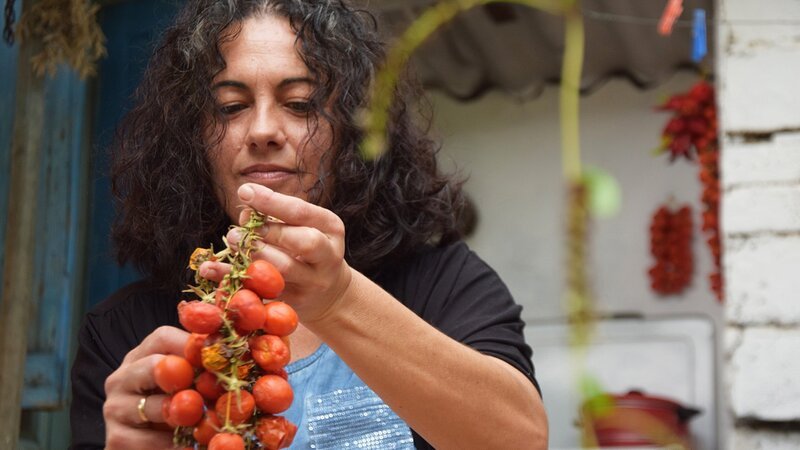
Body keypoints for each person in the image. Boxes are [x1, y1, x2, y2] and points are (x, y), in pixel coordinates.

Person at [69, 0, 548, 448]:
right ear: (192, 141)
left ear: (353, 132)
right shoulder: (124, 331)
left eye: (300, 103)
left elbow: (522, 439)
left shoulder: (442, 283)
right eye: (230, 107)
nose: (262, 131)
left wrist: (339, 299)